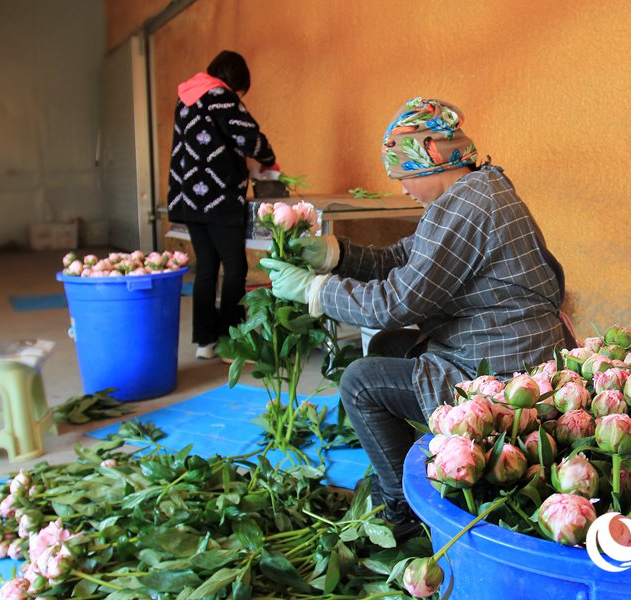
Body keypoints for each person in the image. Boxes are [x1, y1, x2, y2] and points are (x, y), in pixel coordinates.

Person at [262, 97, 574, 536]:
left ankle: (403, 511)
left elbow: (397, 303)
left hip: (507, 369)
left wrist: (315, 290)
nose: (402, 189)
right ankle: (424, 460)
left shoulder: (469, 207)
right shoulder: (475, 190)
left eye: (404, 177)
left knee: (360, 381)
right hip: (497, 342)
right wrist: (337, 254)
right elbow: (405, 258)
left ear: (430, 164)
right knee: (390, 347)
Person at [167, 50, 280, 359]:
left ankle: (206, 343)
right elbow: (249, 136)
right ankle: (233, 341)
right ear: (235, 80)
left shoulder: (186, 98)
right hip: (218, 199)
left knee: (205, 268)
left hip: (188, 198)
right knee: (234, 267)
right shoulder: (220, 95)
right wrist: (269, 161)